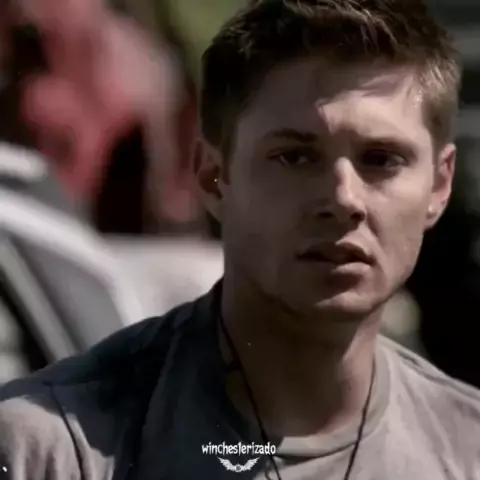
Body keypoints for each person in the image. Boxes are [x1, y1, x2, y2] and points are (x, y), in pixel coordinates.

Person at [0, 0, 479, 479]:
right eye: (294, 157)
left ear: (439, 186)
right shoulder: (53, 448)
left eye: (381, 159)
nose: (342, 198)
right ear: (213, 177)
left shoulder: (467, 449)